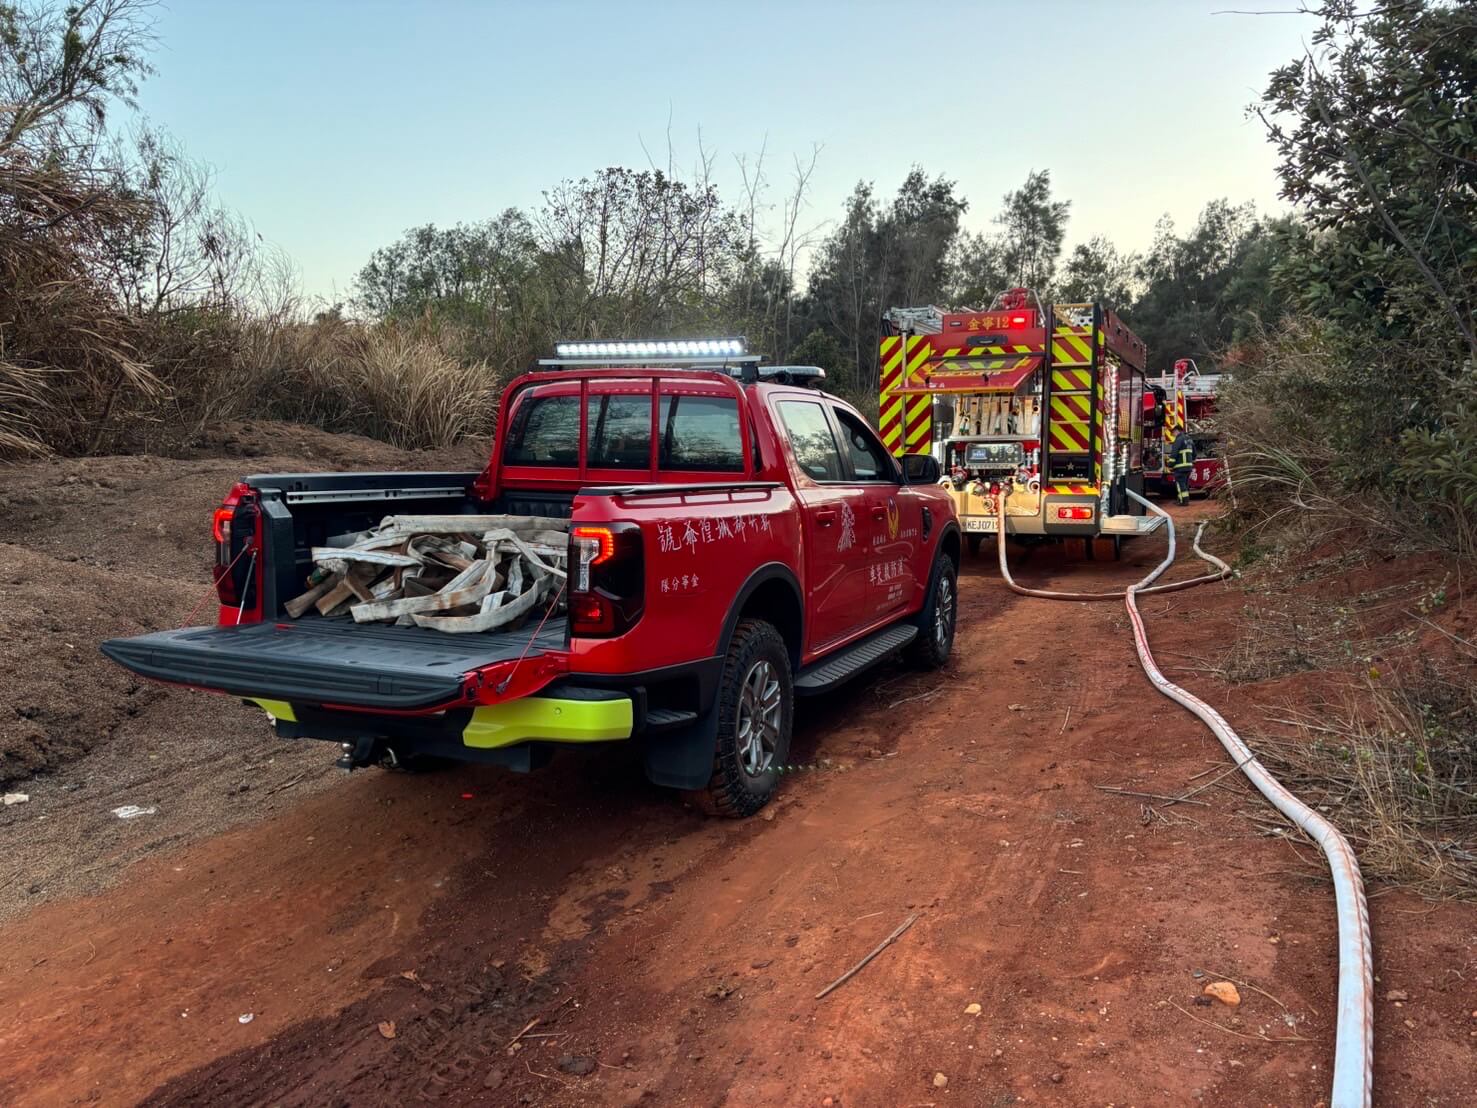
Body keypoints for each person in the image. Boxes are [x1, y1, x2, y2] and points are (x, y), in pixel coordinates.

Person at [1170, 427, 1196, 505]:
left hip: (1180, 467)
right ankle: (1186, 500)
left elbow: (1174, 453)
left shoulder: (1178, 440)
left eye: (1173, 433)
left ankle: (1182, 501)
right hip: (1188, 466)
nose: (1173, 435)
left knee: (1180, 484)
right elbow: (1194, 453)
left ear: (1177, 431)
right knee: (1185, 484)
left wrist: (1170, 464)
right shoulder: (1189, 440)